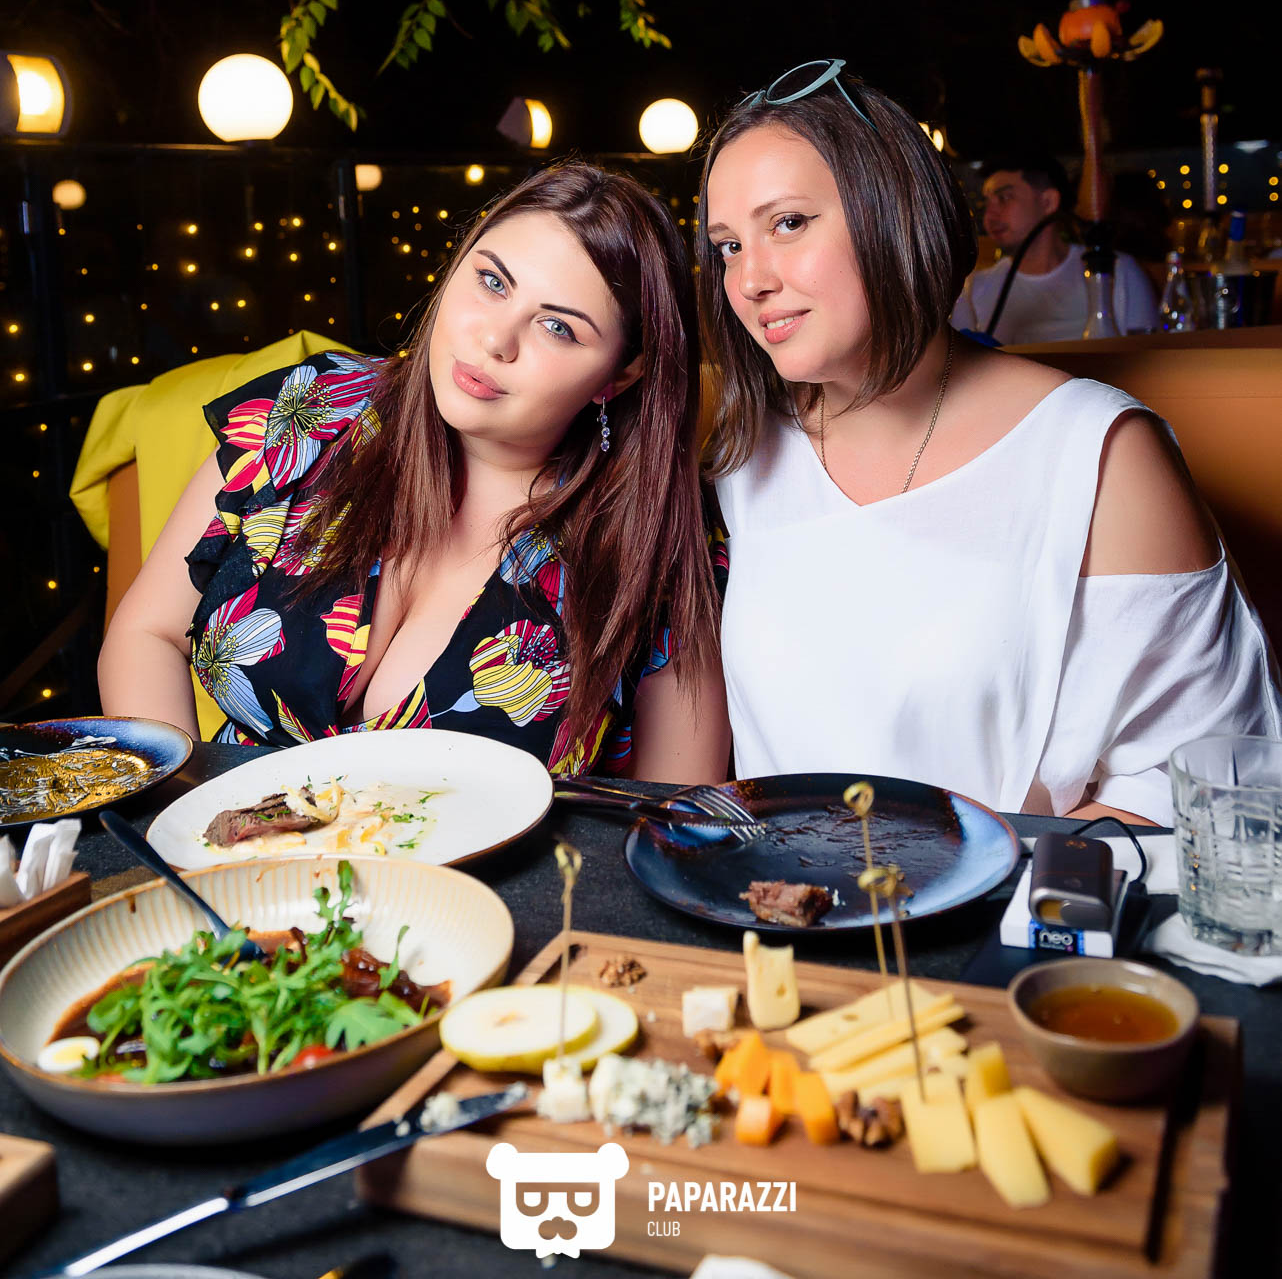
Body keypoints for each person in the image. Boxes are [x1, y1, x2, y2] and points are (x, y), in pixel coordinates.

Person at [699, 60, 1279, 825]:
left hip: (1020, 899)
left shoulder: (1098, 453)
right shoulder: (741, 452)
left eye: (787, 224)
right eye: (728, 246)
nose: (750, 280)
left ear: (894, 212)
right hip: (773, 895)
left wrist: (978, 884)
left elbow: (1205, 787)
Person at [99, 163, 730, 782]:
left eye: (557, 327)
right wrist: (188, 813)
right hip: (225, 841)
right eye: (492, 282)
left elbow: (675, 810)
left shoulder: (659, 547)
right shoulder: (309, 412)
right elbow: (146, 633)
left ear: (620, 374)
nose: (495, 340)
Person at [952, 154, 1159, 343]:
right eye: (987, 203)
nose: (989, 216)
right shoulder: (973, 288)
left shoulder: (1118, 272)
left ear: (1048, 202)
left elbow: (1149, 356)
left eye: (1004, 198)